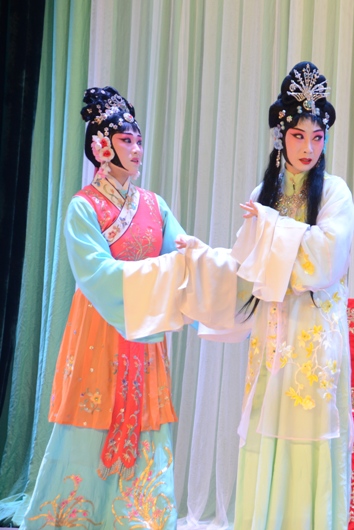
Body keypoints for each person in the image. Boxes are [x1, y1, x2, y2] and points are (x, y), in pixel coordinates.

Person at [177, 61, 354, 529]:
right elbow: (246, 270)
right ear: (281, 136)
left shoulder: (334, 194)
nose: (309, 148)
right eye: (298, 136)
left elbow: (324, 260)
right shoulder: (264, 194)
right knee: (264, 429)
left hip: (315, 341)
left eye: (317, 137)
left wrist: (271, 229)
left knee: (311, 434)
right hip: (272, 338)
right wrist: (203, 257)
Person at [21, 86, 185, 528]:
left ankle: (142, 517)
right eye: (126, 140)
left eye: (138, 140)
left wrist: (211, 265)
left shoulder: (155, 205)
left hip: (144, 332)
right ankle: (78, 515)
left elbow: (180, 259)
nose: (137, 149)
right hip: (100, 328)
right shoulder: (83, 207)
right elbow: (93, 272)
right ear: (101, 147)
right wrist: (147, 285)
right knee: (91, 413)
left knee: (146, 422)